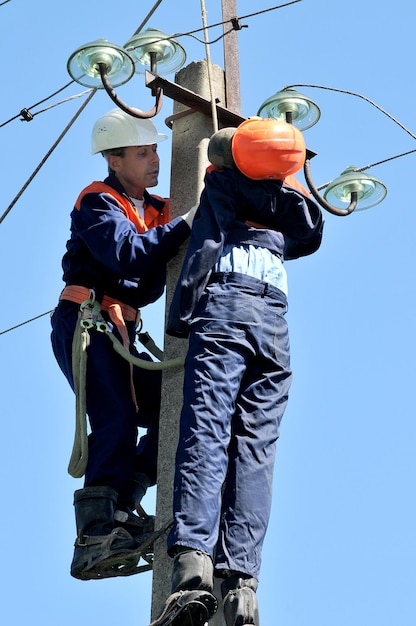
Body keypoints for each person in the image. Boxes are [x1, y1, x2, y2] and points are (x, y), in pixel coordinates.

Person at [151, 119, 324, 626]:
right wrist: (281, 186)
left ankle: (192, 571)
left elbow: (205, 245)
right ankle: (242, 588)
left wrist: (182, 310)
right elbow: (310, 233)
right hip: (275, 323)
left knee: (206, 433)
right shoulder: (287, 199)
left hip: (226, 309)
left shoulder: (222, 184)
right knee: (254, 451)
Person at [50, 107, 197, 580]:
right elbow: (127, 254)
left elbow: (177, 236)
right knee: (114, 418)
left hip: (121, 330)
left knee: (173, 410)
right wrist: (185, 225)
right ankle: (93, 536)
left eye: (154, 149)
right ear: (114, 161)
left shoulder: (157, 208)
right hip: (87, 322)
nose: (155, 159)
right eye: (142, 152)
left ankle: (121, 505)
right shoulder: (98, 201)